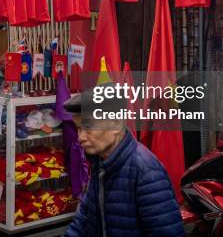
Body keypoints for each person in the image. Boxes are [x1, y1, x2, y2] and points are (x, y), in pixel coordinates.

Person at [63, 90, 184, 237]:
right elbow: (84, 219)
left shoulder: (146, 171)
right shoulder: (100, 163)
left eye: (88, 127)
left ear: (116, 124)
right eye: (79, 128)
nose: (80, 137)